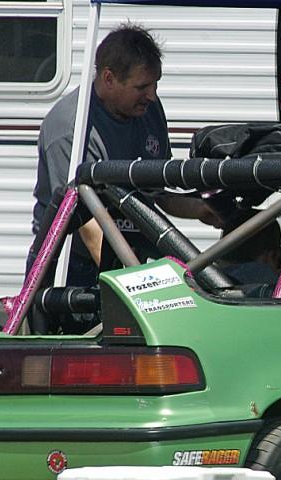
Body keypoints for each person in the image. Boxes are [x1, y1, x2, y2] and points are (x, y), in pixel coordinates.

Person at [29, 22, 217, 287]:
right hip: (71, 264)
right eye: (142, 87)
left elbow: (155, 192)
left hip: (131, 249)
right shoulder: (71, 126)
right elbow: (84, 223)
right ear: (109, 79)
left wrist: (201, 209)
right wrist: (136, 284)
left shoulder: (148, 110)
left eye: (155, 85)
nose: (152, 96)